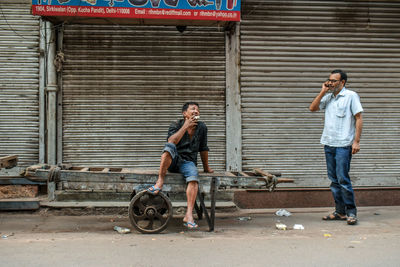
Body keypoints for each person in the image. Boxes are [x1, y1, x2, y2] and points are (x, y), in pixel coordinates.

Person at [147, 102, 214, 229]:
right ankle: (160, 181)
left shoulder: (202, 127)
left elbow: (203, 148)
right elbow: (171, 141)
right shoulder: (176, 125)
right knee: (169, 147)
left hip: (188, 162)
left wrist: (206, 167)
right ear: (185, 113)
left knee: (194, 178)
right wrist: (185, 126)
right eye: (193, 109)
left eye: (197, 110)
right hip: (174, 160)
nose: (196, 111)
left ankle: (189, 214)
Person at [309, 69, 363, 225]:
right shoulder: (328, 97)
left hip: (343, 145)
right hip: (329, 143)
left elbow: (359, 119)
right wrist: (322, 91)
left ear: (342, 82)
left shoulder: (351, 96)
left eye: (333, 81)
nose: (330, 83)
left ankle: (351, 212)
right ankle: (340, 212)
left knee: (343, 179)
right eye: (329, 80)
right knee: (333, 180)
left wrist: (356, 141)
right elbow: (312, 108)